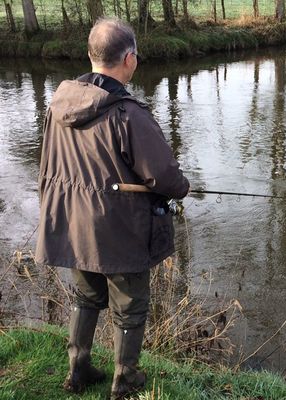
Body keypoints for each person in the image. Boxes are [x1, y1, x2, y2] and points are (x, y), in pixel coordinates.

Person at [34, 18, 189, 399]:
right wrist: (181, 187)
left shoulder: (60, 104)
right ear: (130, 59)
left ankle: (78, 370)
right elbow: (165, 177)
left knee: (86, 298)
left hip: (73, 224)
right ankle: (125, 383)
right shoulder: (127, 114)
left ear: (91, 56)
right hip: (120, 232)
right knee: (130, 309)